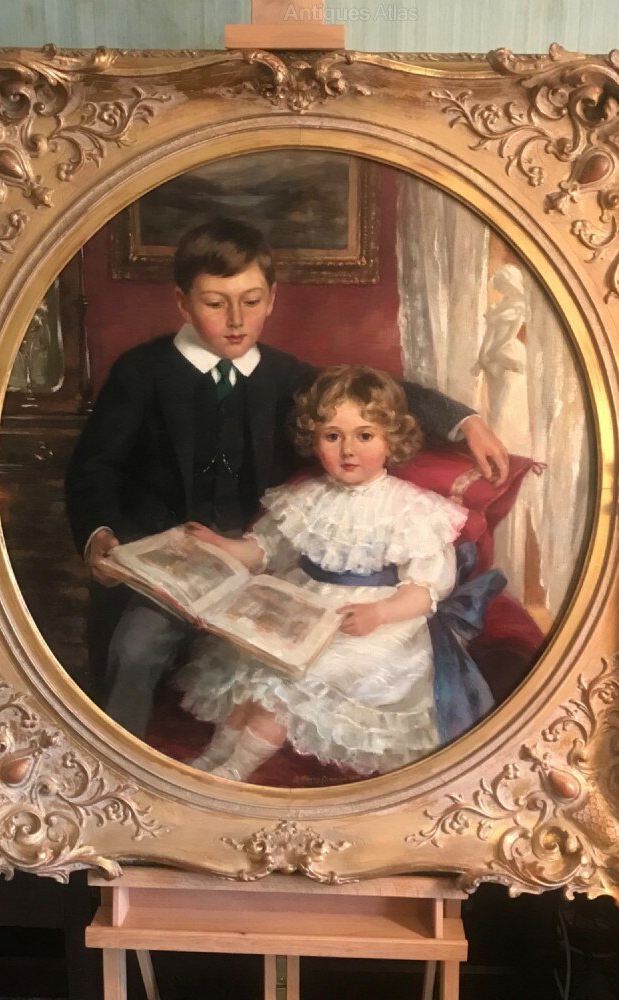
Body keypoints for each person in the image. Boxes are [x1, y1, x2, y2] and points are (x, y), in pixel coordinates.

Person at [65, 217, 509, 737]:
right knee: (136, 648)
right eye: (216, 303)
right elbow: (93, 467)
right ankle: (121, 764)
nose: (237, 320)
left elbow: (371, 392)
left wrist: (465, 420)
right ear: (183, 303)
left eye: (251, 301)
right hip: (168, 569)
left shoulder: (284, 376)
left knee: (291, 670)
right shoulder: (141, 372)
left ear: (272, 299)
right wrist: (100, 535)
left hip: (262, 569)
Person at [173, 366, 497, 782]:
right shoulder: (305, 498)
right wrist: (219, 544)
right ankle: (212, 759)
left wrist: (379, 614)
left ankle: (235, 772)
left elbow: (424, 590)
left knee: (287, 685)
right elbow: (261, 550)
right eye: (332, 436)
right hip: (306, 607)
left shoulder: (412, 509)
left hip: (375, 625)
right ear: (314, 439)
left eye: (365, 436)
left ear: (390, 440)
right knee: (255, 670)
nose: (348, 450)